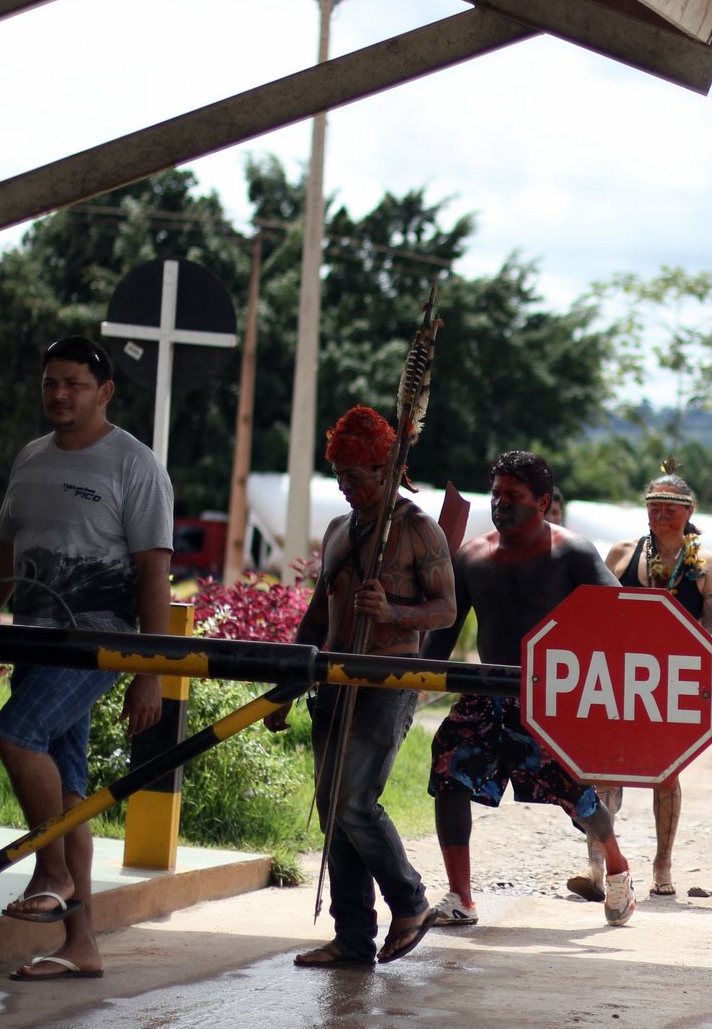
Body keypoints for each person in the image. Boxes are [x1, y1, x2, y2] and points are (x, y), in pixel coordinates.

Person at [0, 336, 172, 982]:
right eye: (51, 383)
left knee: (17, 734)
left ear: (105, 392)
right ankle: (81, 944)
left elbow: (154, 574)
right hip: (34, 640)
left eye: (74, 384)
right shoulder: (31, 457)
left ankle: (51, 871)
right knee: (69, 791)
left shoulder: (135, 463)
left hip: (99, 641)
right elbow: (0, 555)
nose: (59, 394)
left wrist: (150, 671)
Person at [264, 407, 455, 969]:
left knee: (353, 801)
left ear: (386, 469)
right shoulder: (338, 531)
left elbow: (445, 610)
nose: (344, 486)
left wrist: (392, 612)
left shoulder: (418, 530)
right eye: (339, 474)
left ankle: (411, 902)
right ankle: (352, 938)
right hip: (332, 681)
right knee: (333, 811)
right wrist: (286, 686)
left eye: (354, 475)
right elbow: (316, 619)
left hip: (387, 682)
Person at [421, 452, 635, 928]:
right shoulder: (471, 557)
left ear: (541, 502)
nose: (501, 504)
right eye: (495, 494)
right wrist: (413, 682)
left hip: (550, 700)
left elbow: (623, 614)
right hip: (487, 695)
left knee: (580, 800)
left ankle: (618, 868)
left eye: (513, 496)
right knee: (449, 771)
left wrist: (598, 689)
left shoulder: (572, 552)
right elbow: (442, 636)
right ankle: (461, 897)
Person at [565, 470, 712, 902]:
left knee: (665, 772)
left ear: (689, 512)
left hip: (670, 681)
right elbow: (596, 610)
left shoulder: (706, 563)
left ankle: (662, 862)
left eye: (670, 510)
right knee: (603, 770)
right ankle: (596, 864)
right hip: (618, 676)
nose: (660, 518)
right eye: (654, 509)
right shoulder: (622, 554)